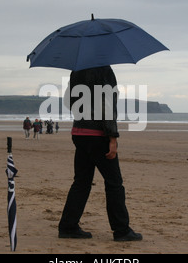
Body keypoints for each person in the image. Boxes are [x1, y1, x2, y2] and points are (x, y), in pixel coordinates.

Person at [58, 65, 142, 242]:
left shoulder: (76, 70)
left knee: (81, 182)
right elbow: (107, 104)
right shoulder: (104, 69)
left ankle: (68, 226)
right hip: (98, 135)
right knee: (114, 183)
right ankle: (121, 230)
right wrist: (112, 137)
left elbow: (67, 101)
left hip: (79, 132)